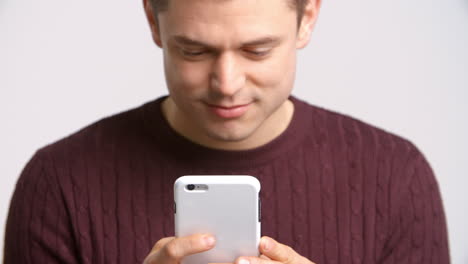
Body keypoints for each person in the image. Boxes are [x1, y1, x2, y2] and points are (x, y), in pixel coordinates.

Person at [4, 0, 450, 263]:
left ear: (308, 17)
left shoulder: (396, 177)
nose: (227, 83)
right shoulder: (59, 183)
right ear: (154, 22)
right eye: (194, 51)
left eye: (257, 50)